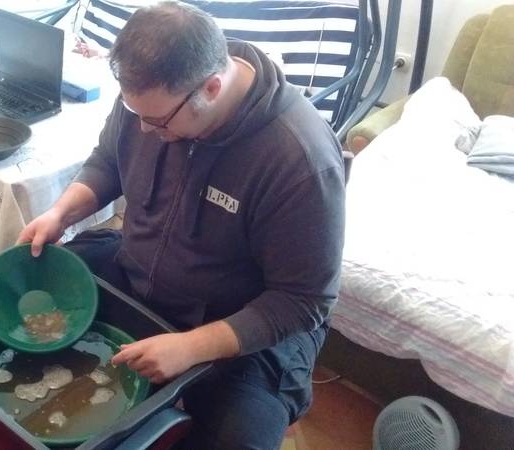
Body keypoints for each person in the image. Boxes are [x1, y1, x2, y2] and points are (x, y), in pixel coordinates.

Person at [17, 2, 345, 448]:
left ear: (211, 87)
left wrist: (191, 346)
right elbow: (110, 160)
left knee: (237, 441)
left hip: (244, 328)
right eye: (137, 116)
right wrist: (61, 213)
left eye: (157, 122)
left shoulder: (300, 161)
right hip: (138, 273)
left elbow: (304, 301)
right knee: (28, 290)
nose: (146, 131)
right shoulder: (150, 98)